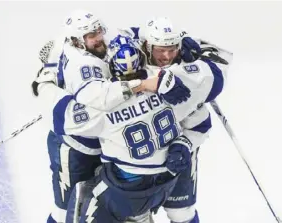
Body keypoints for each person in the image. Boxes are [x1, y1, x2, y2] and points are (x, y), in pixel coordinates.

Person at [34, 33, 230, 222]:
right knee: (181, 213)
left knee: (78, 203)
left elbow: (60, 116)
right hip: (167, 181)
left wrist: (45, 81)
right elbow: (203, 117)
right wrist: (191, 59)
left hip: (125, 188)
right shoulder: (169, 87)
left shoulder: (103, 107)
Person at [118, 17, 233, 223]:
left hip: (177, 155)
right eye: (160, 50)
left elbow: (201, 121)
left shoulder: (188, 73)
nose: (167, 56)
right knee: (135, 216)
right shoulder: (130, 60)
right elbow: (119, 35)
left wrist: (185, 143)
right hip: (139, 157)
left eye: (172, 49)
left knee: (182, 212)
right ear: (147, 45)